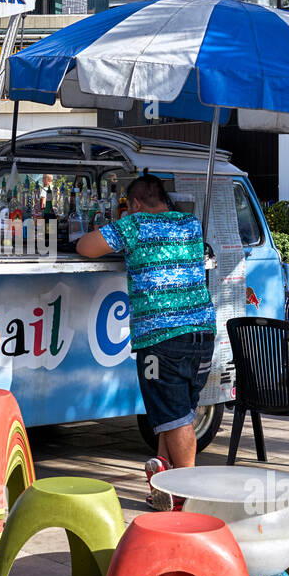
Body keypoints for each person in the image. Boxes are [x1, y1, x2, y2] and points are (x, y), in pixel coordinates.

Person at [77, 174, 216, 510]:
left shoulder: (134, 225)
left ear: (135, 203)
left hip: (162, 338)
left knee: (177, 420)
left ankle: (188, 497)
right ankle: (164, 485)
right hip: (202, 334)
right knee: (176, 412)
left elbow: (86, 247)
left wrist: (122, 223)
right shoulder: (191, 223)